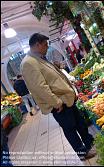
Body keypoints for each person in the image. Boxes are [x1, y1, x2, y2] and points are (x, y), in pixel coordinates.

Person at [20, 33, 96, 161]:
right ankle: (82, 153)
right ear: (37, 44)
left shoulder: (39, 58)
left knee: (80, 123)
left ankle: (89, 143)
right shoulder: (28, 63)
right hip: (59, 104)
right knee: (70, 129)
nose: (47, 47)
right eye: (45, 44)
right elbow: (40, 87)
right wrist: (57, 103)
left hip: (66, 99)